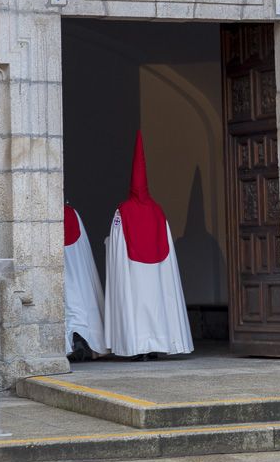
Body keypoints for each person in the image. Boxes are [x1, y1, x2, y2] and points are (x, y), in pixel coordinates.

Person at [104, 131, 193, 358]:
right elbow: (167, 244)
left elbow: (116, 245)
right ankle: (158, 345)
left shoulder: (123, 210)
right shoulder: (157, 210)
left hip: (132, 270)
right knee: (159, 304)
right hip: (157, 270)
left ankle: (137, 347)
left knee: (135, 306)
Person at [64, 203, 109, 360]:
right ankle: (82, 342)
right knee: (81, 301)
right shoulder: (72, 213)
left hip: (61, 266)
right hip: (77, 266)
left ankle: (74, 343)